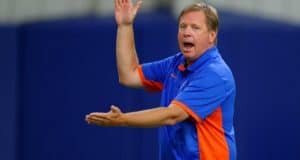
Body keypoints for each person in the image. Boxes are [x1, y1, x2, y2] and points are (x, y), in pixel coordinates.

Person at [85, 0, 237, 159]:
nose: (186, 32)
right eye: (183, 26)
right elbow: (129, 75)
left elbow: (172, 115)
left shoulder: (215, 74)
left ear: (212, 36)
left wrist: (122, 119)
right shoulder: (175, 64)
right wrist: (125, 26)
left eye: (195, 27)